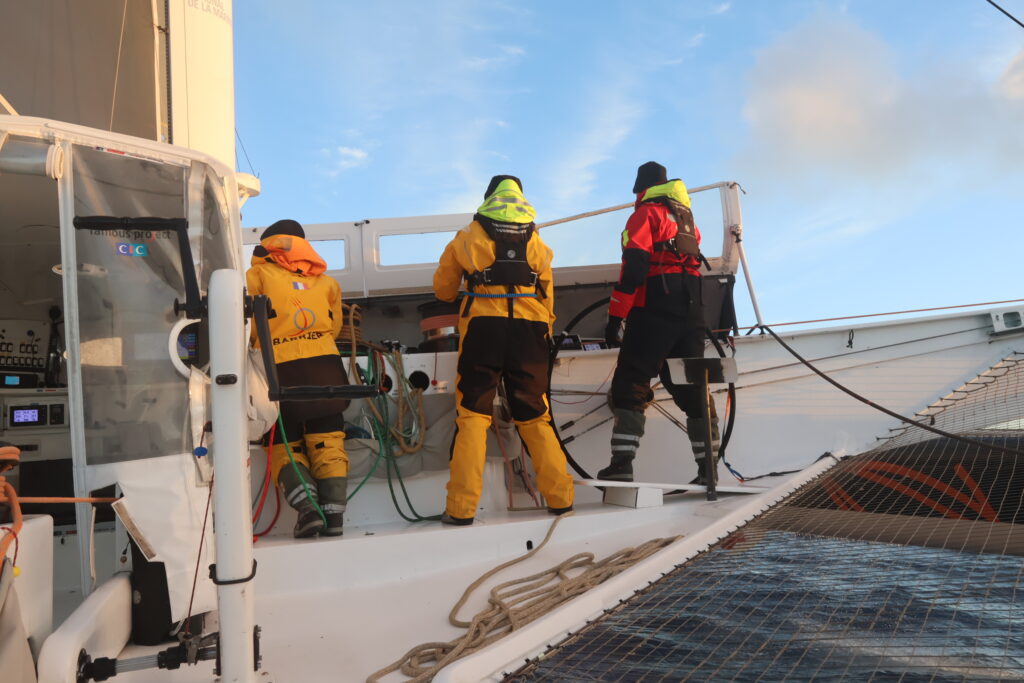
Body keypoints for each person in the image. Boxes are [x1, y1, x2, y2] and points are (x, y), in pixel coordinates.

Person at [432, 175, 575, 525]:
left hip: (484, 330)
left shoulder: (468, 236)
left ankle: (461, 509)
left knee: (473, 418)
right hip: (530, 332)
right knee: (535, 416)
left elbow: (443, 291)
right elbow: (548, 301)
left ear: (488, 199)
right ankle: (560, 499)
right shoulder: (537, 243)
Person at [598, 162, 719, 484]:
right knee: (692, 386)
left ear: (642, 189)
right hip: (693, 309)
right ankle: (709, 470)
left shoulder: (645, 214)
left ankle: (622, 465)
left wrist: (615, 318)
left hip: (656, 304)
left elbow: (635, 267)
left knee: (632, 380)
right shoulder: (687, 221)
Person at [246, 219, 350, 538]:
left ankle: (308, 510)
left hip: (280, 374)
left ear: (265, 245)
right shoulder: (328, 283)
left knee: (282, 445)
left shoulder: (257, 275)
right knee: (329, 441)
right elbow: (333, 328)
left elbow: (248, 328)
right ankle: (334, 517)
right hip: (327, 371)